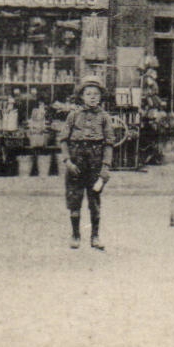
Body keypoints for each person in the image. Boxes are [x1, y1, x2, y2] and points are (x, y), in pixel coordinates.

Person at [59, 77, 116, 251]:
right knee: (74, 199)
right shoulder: (73, 115)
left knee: (94, 201)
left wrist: (105, 167)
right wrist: (67, 161)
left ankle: (95, 236)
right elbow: (63, 140)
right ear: (82, 96)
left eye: (96, 94)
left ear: (100, 97)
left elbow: (109, 143)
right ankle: (75, 235)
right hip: (76, 163)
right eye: (88, 93)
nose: (92, 97)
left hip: (95, 163)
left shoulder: (104, 117)